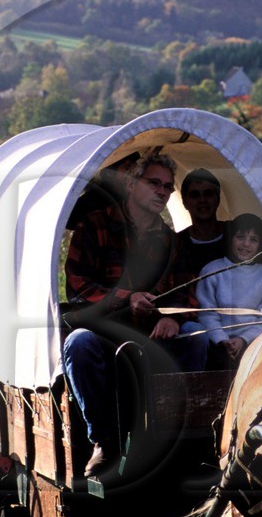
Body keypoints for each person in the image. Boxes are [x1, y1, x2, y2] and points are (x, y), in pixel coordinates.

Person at [62, 151, 207, 476]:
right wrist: (126, 299)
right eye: (153, 183)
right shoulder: (96, 225)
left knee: (197, 340)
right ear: (130, 184)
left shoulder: (171, 242)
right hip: (104, 331)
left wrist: (174, 317)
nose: (162, 191)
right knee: (78, 344)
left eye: (168, 187)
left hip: (151, 334)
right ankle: (104, 442)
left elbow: (187, 291)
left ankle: (166, 438)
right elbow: (78, 286)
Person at [196, 212, 262, 367]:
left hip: (255, 344)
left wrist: (244, 339)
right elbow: (207, 313)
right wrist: (221, 340)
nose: (246, 244)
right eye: (240, 237)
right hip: (216, 345)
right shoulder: (211, 271)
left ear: (260, 245)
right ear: (230, 238)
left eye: (253, 240)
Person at [173, 167, 227, 279]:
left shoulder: (238, 235)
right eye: (195, 195)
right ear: (184, 202)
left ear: (218, 199)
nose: (202, 200)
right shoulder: (176, 246)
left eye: (208, 194)